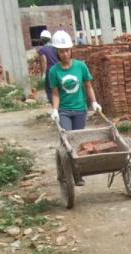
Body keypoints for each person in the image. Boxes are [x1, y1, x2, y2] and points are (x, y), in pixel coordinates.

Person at [48, 30, 101, 184]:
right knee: (67, 139)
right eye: (61, 51)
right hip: (64, 110)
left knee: (77, 141)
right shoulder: (54, 71)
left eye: (66, 51)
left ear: (70, 50)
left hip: (80, 110)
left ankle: (78, 173)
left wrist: (94, 102)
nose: (64, 54)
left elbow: (88, 86)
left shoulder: (81, 66)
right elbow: (56, 93)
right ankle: (65, 169)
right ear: (57, 52)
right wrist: (55, 110)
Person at [36, 29, 59, 105]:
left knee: (49, 90)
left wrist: (43, 75)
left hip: (50, 72)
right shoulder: (56, 48)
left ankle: (55, 107)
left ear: (42, 39)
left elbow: (44, 62)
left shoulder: (42, 50)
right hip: (59, 70)